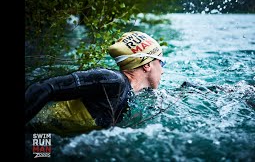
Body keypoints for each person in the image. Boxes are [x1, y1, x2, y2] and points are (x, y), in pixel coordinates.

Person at [25, 31, 166, 135]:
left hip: (55, 136)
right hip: (37, 132)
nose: (163, 71)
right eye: (161, 62)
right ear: (147, 65)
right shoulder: (112, 80)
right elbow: (46, 87)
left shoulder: (133, 91)